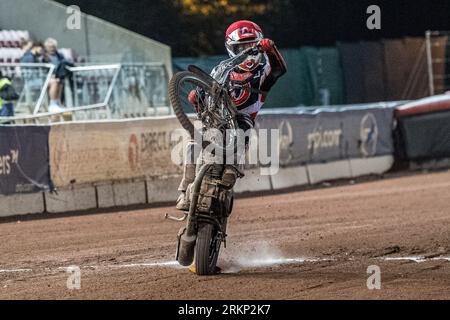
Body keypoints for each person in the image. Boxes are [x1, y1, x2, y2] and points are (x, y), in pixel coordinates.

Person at [176, 20, 287, 210]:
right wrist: (197, 98)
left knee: (241, 134)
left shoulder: (263, 72)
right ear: (231, 49)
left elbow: (279, 68)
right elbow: (205, 91)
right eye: (242, 47)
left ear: (259, 44)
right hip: (216, 120)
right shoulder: (221, 70)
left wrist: (270, 48)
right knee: (193, 145)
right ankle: (185, 190)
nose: (248, 51)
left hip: (241, 122)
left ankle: (233, 167)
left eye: (252, 45)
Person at [43, 37, 73, 113]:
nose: (52, 49)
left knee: (60, 82)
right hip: (46, 77)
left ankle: (58, 102)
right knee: (55, 82)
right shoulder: (43, 57)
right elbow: (42, 68)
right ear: (46, 47)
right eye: (50, 47)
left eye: (53, 47)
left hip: (58, 76)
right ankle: (53, 104)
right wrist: (50, 75)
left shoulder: (60, 55)